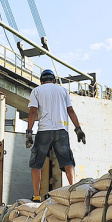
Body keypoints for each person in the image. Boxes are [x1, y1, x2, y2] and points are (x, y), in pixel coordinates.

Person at [25, 69, 86, 201]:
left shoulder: (36, 91)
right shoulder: (63, 91)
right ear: (53, 80)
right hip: (61, 130)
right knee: (68, 160)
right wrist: (78, 129)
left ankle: (36, 195)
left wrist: (29, 131)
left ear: (41, 81)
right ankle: (73, 190)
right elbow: (70, 110)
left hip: (44, 130)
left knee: (36, 163)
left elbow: (33, 112)